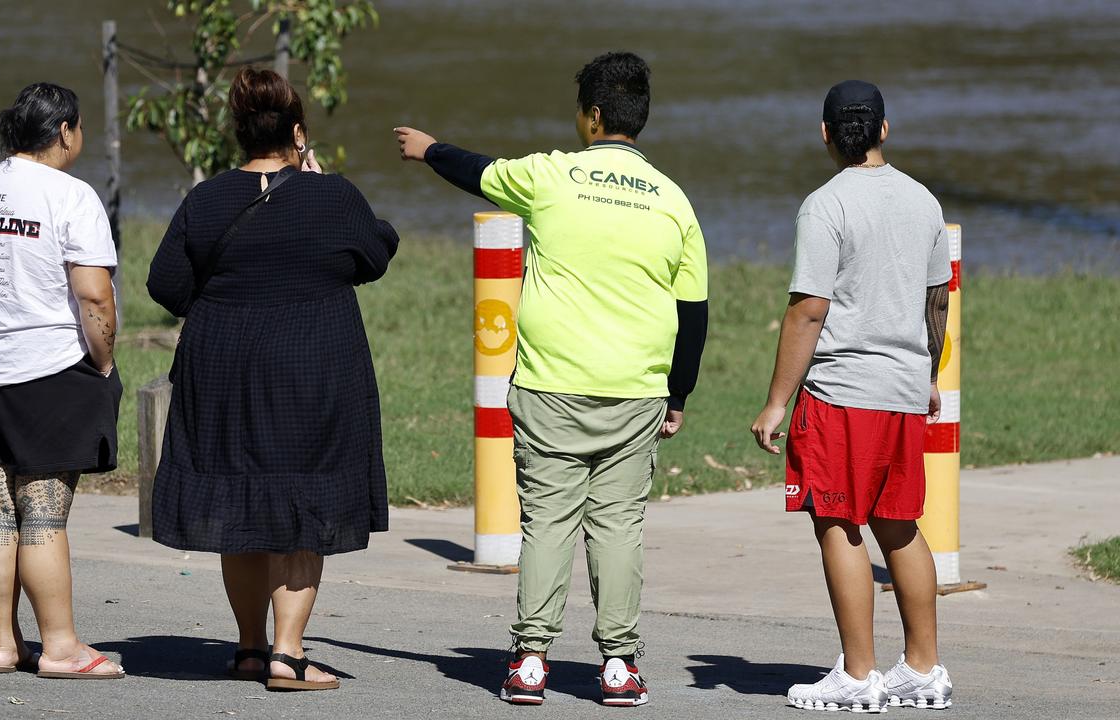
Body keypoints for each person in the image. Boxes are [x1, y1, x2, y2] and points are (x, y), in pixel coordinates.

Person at [396, 51, 708, 707]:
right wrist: (678, 394)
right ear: (639, 119)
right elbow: (693, 313)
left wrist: (428, 150)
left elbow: (477, 172)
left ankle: (531, 661)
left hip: (550, 386)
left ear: (592, 117)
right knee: (619, 528)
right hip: (635, 390)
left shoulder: (549, 175)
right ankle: (619, 666)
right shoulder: (675, 201)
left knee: (547, 525)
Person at [147, 66, 399, 691]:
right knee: (305, 502)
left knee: (240, 498)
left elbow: (166, 285)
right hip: (312, 366)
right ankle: (289, 654)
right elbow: (375, 253)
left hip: (224, 369)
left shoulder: (205, 200)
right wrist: (314, 179)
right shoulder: (332, 196)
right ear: (296, 132)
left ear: (238, 134)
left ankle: (252, 647)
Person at [750, 80, 954, 712]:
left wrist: (777, 400)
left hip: (841, 391)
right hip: (900, 389)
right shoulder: (923, 201)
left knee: (837, 519)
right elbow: (937, 297)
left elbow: (809, 309)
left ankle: (859, 677)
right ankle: (923, 669)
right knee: (899, 523)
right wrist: (925, 375)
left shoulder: (825, 205)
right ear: (885, 131)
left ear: (825, 134)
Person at [0, 83, 125, 679]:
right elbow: (93, 293)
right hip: (52, 369)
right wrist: (104, 362)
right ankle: (61, 647)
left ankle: (4, 644)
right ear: (65, 130)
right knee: (42, 514)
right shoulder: (71, 196)